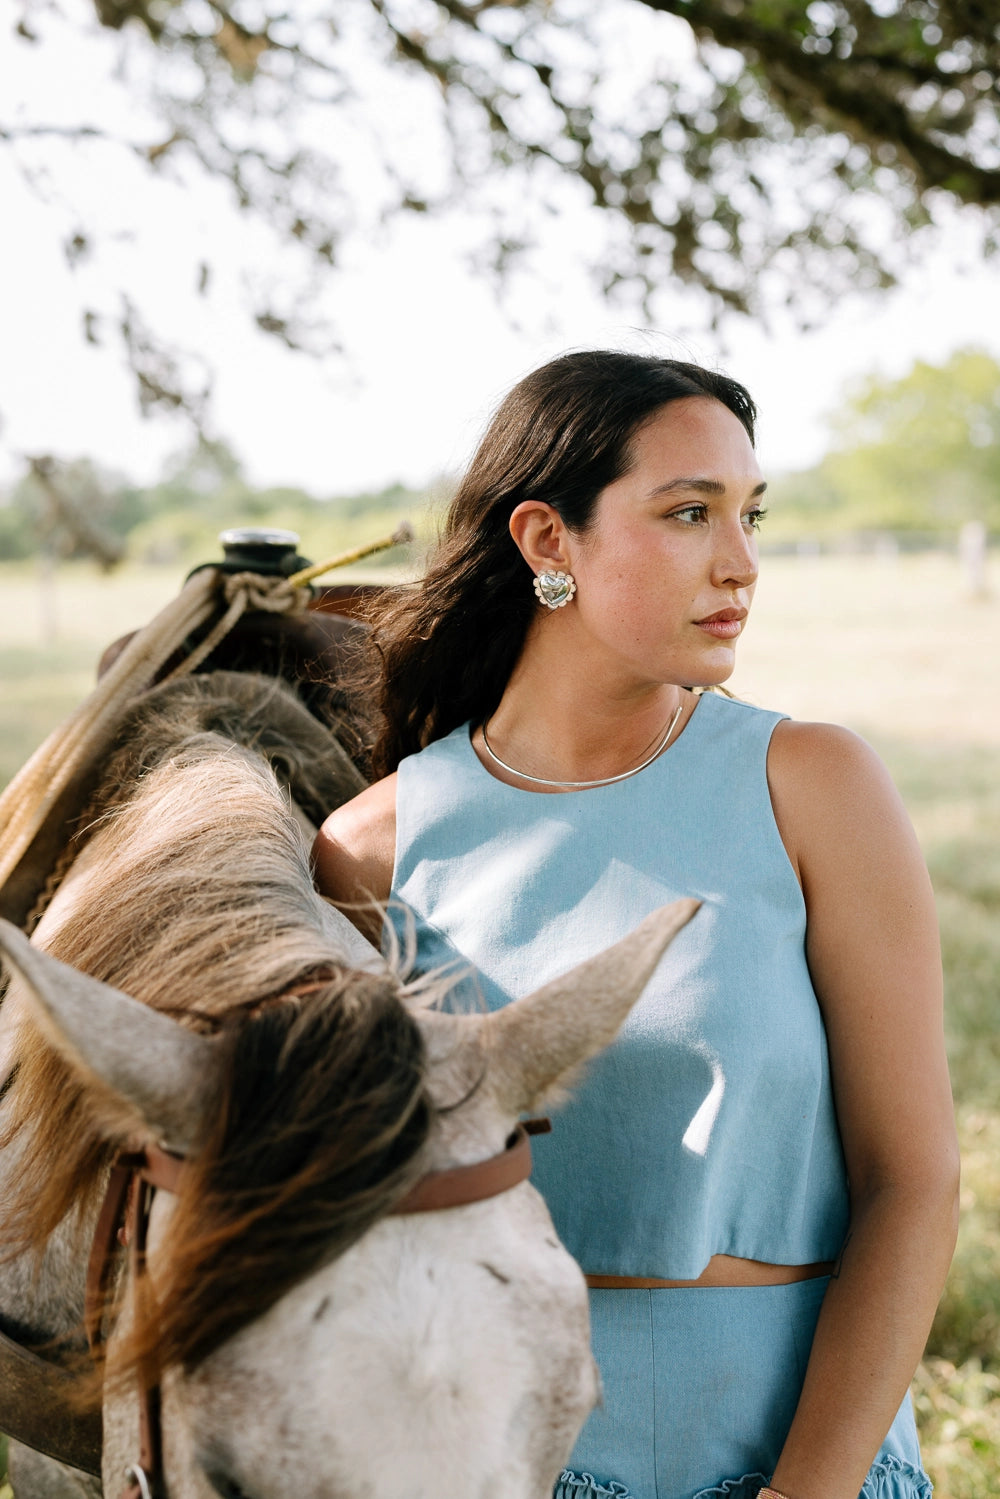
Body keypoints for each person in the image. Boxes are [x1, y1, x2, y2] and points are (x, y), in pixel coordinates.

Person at [312, 350, 959, 1499]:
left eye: (750, 513)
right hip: (489, 1460)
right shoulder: (369, 849)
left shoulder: (810, 784)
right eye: (689, 512)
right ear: (547, 542)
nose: (741, 562)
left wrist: (807, 1491)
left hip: (803, 1452)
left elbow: (910, 1180)